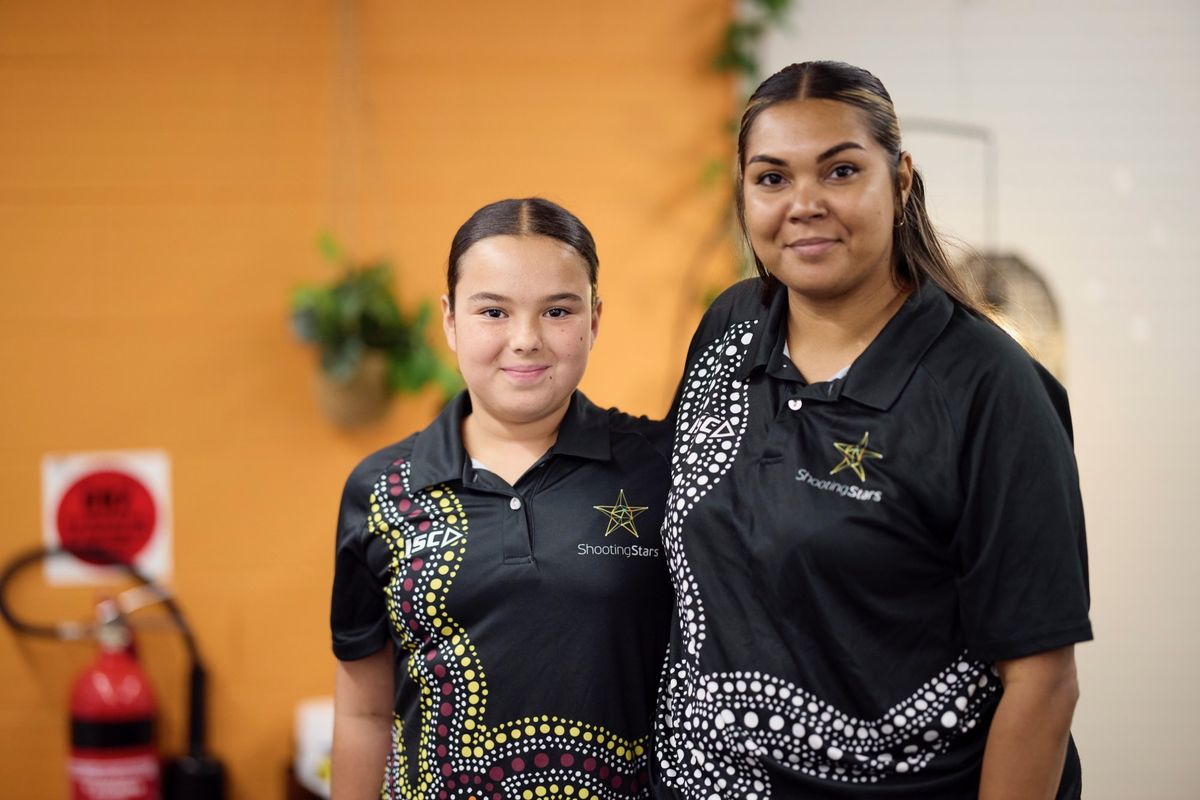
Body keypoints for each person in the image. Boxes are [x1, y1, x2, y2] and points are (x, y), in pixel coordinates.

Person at [652, 61, 1091, 799]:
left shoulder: (987, 388)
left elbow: (1043, 684)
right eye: (771, 178)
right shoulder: (730, 328)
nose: (804, 205)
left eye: (841, 171)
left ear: (903, 179)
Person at [331, 198, 672, 800]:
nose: (525, 340)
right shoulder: (381, 489)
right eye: (493, 311)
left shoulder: (662, 468)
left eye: (558, 311)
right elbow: (362, 713)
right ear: (450, 321)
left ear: (594, 319)